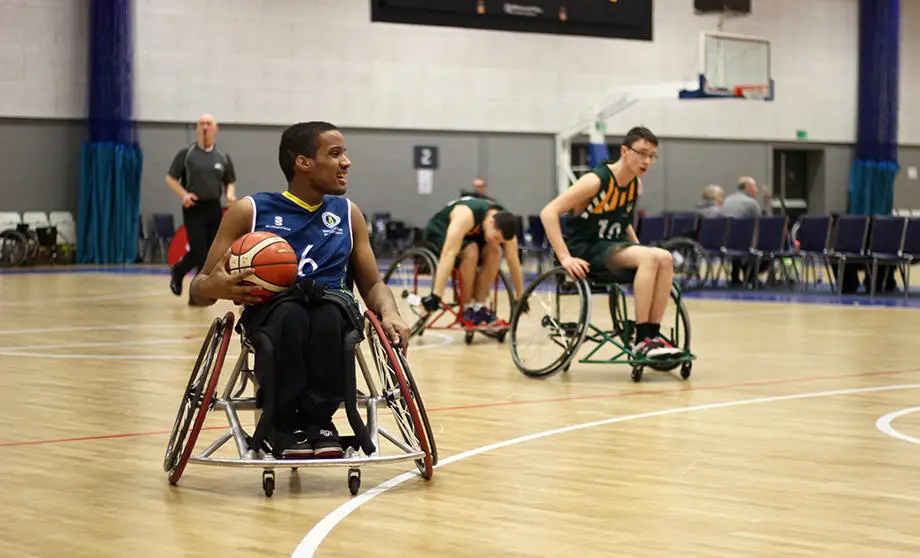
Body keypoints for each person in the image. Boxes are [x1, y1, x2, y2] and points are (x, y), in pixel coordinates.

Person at [188, 121, 410, 460]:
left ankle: (321, 423)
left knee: (326, 315)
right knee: (292, 314)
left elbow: (372, 284)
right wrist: (215, 285)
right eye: (335, 154)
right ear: (302, 163)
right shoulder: (251, 211)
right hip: (274, 314)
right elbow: (199, 290)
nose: (346, 162)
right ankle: (283, 422)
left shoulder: (348, 214)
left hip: (332, 312)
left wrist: (390, 312)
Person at [539, 126, 680, 359]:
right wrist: (565, 257)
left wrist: (640, 249)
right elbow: (548, 212)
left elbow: (623, 221)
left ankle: (652, 334)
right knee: (652, 256)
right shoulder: (594, 181)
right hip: (587, 249)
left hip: (613, 248)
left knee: (664, 257)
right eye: (642, 153)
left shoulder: (635, 184)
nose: (647, 161)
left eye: (652, 156)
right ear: (625, 151)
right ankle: (642, 338)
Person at [420, 196, 525, 325]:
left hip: (471, 238)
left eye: (500, 240)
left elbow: (513, 261)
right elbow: (449, 252)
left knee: (495, 251)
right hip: (440, 232)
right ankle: (467, 307)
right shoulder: (465, 215)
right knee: (471, 251)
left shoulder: (506, 224)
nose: (497, 241)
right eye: (496, 237)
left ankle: (478, 307)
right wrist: (436, 295)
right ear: (491, 223)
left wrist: (521, 297)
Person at [166, 113, 238, 301]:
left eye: (209, 123)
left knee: (210, 255)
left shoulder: (222, 156)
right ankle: (178, 270)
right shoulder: (187, 154)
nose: (205, 126)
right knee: (198, 251)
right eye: (201, 123)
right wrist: (184, 195)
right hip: (194, 207)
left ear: (215, 128)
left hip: (214, 207)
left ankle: (196, 295)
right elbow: (171, 178)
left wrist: (230, 195)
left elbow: (229, 181)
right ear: (197, 128)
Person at [721, 176, 771, 285]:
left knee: (739, 238)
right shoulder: (751, 203)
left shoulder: (727, 200)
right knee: (766, 242)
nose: (756, 190)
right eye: (754, 187)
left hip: (725, 242)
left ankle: (736, 275)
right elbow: (760, 223)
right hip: (745, 243)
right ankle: (752, 275)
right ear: (748, 188)